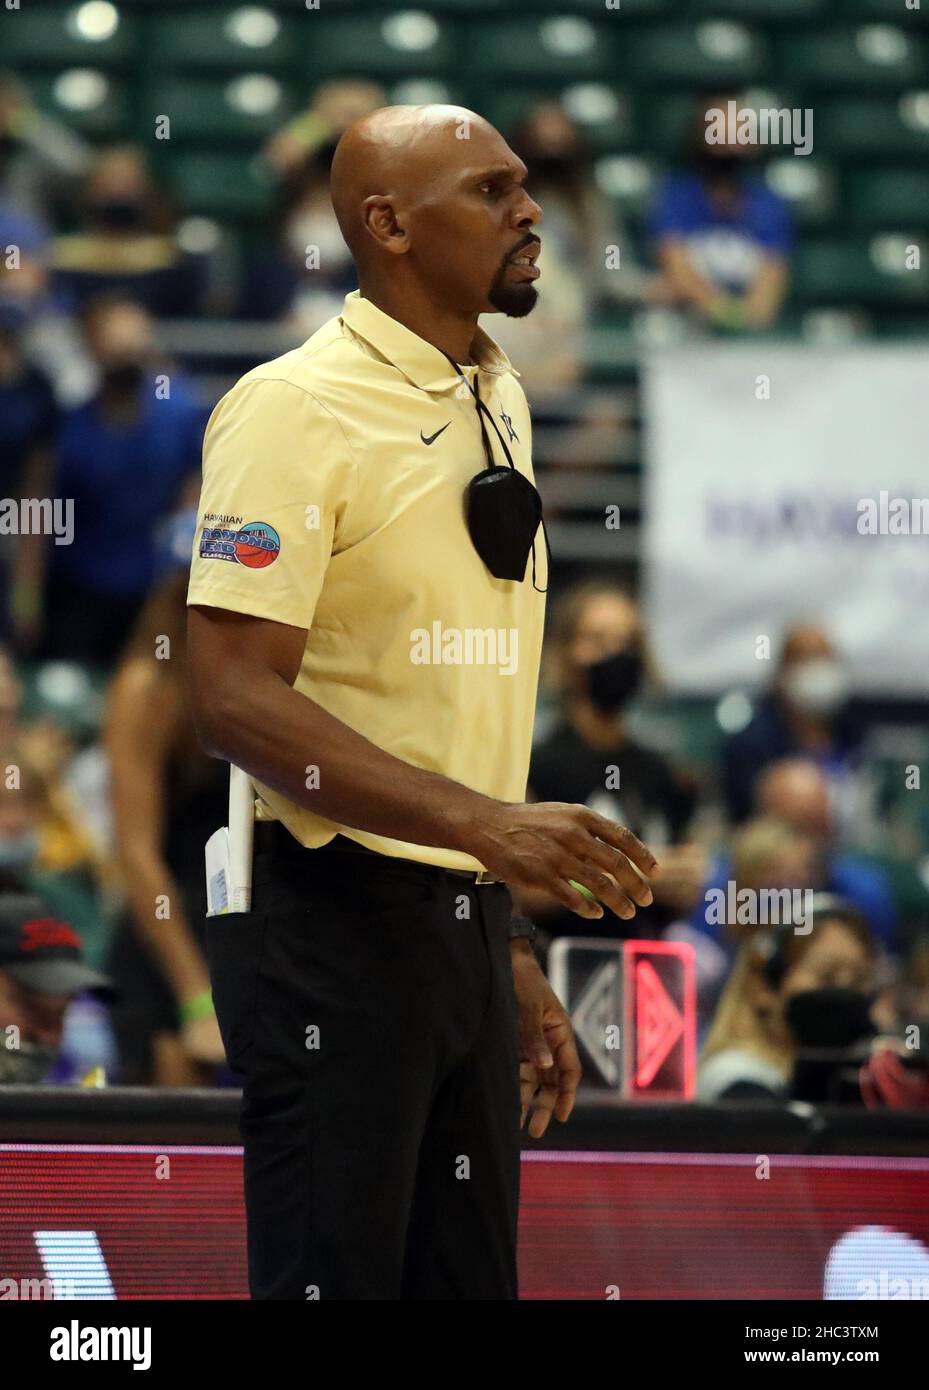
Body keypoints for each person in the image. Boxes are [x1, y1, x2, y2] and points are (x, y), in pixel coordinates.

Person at [187, 102, 659, 1301]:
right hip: (330, 929)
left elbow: (439, 706)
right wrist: (484, 829)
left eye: (523, 186)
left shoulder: (496, 396)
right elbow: (232, 694)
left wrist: (497, 930)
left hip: (457, 924)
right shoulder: (295, 407)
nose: (531, 209)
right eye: (491, 192)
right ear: (387, 226)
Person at [104, 493, 230, 1085]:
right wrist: (195, 995)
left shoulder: (258, 678)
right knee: (181, 1151)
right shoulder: (146, 688)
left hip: (239, 932)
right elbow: (136, 854)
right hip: (167, 946)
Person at [41, 295, 208, 665]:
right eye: (117, 345)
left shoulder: (178, 414)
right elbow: (42, 510)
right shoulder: (69, 428)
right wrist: (29, 589)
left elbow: (196, 485)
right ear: (92, 348)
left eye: (136, 344)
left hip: (154, 589)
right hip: (78, 588)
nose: (128, 354)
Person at [527, 578, 696, 941]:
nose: (616, 654)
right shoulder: (538, 765)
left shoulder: (658, 770)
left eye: (628, 642)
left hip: (644, 964)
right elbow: (525, 891)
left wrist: (687, 878)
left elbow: (687, 886)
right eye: (598, 640)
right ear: (566, 653)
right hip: (559, 960)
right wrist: (633, 874)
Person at [691, 758, 898, 954]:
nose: (812, 844)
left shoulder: (864, 892)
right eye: (799, 829)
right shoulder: (712, 887)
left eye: (822, 827)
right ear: (760, 822)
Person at [698, 896, 877, 1102]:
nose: (845, 992)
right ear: (764, 986)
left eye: (859, 980)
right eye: (826, 977)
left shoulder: (863, 1076)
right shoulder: (734, 1079)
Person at [649, 91, 792, 333]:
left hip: (751, 334)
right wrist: (725, 312)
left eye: (739, 132)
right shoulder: (677, 197)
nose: (729, 143)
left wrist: (749, 319)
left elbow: (772, 276)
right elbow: (676, 267)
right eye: (720, 131)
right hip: (686, 329)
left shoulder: (768, 204)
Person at [721, 621, 861, 825]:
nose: (818, 670)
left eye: (825, 659)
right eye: (807, 659)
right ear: (783, 670)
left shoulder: (853, 736)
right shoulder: (750, 745)